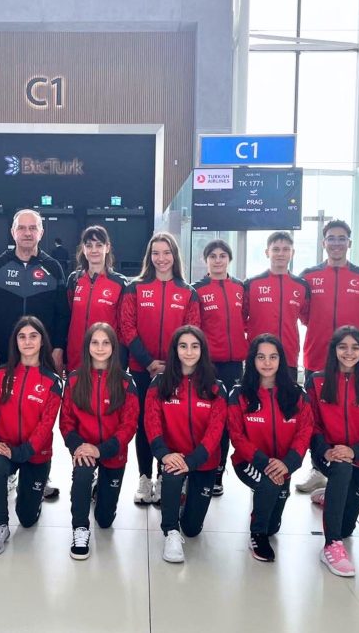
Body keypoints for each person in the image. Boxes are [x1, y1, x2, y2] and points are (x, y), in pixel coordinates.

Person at [0, 208, 69, 500]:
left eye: (33, 228)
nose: (27, 233)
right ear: (13, 232)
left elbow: (62, 314)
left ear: (41, 232)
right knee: (5, 410)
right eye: (22, 228)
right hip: (5, 356)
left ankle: (38, 471)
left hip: (42, 356)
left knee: (38, 413)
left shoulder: (54, 267)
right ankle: (7, 469)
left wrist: (58, 348)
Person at [120, 232, 201, 505]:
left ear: (174, 256)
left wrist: (171, 364)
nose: (161, 258)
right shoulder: (135, 288)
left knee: (168, 424)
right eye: (156, 253)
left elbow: (191, 332)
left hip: (175, 370)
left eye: (166, 253)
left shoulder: (188, 292)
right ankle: (144, 478)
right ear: (149, 256)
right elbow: (127, 328)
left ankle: (164, 474)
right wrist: (148, 362)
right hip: (142, 369)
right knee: (145, 424)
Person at [297, 220, 359, 496]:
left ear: (349, 243)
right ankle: (318, 469)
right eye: (331, 238)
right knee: (316, 417)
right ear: (323, 243)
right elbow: (303, 313)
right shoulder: (308, 276)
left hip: (351, 360)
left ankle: (349, 467)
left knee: (349, 415)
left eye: (342, 238)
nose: (336, 243)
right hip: (317, 357)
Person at [306, 326, 359, 577]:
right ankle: (331, 545)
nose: (349, 353)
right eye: (343, 347)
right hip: (328, 454)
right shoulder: (317, 381)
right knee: (340, 471)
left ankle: (331, 495)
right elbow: (311, 423)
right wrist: (325, 450)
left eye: (355, 347)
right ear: (334, 350)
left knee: (346, 528)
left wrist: (355, 451)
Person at [0, 316, 63, 556]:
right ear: (15, 341)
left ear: (42, 341)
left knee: (27, 519)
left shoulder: (52, 381)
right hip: (4, 447)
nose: (27, 342)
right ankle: (0, 524)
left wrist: (21, 452)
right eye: (22, 337)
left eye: (33, 336)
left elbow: (45, 426)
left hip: (35, 454)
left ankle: (30, 496)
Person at [144, 326, 227, 563]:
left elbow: (215, 432)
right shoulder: (159, 383)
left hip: (203, 461)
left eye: (194, 346)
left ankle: (184, 500)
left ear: (202, 350)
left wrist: (192, 461)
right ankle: (170, 531)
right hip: (173, 456)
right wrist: (164, 454)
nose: (189, 352)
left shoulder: (216, 387)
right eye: (183, 346)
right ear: (175, 350)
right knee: (172, 475)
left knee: (192, 529)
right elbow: (151, 422)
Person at [228, 334, 313, 562]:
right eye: (261, 357)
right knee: (268, 485)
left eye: (273, 357)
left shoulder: (297, 395)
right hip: (249, 462)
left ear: (281, 360)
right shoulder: (240, 394)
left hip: (284, 465)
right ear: (252, 360)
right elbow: (237, 436)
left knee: (273, 526)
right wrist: (265, 463)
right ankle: (256, 535)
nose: (267, 363)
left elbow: (304, 433)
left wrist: (288, 463)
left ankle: (264, 510)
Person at [60, 323, 140, 559]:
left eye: (106, 343)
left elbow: (129, 425)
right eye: (95, 342)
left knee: (105, 521)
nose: (100, 348)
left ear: (114, 347)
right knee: (82, 474)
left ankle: (99, 491)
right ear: (87, 346)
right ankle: (80, 528)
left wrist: (102, 450)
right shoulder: (74, 379)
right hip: (84, 449)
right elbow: (66, 422)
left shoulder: (126, 382)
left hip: (113, 452)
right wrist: (79, 447)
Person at [193, 239, 248, 496]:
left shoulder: (239, 288)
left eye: (222, 255)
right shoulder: (197, 290)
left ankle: (218, 472)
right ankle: (197, 467)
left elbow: (245, 319)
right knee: (204, 417)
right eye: (212, 256)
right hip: (208, 365)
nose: (218, 260)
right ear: (205, 260)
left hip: (234, 365)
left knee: (226, 419)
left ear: (229, 259)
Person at [243, 231, 309, 380]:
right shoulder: (252, 284)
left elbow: (307, 318)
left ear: (292, 253)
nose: (281, 254)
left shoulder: (301, 286)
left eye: (286, 249)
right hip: (258, 356)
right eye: (276, 249)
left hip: (288, 355)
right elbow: (239, 319)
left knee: (287, 394)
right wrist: (255, 332)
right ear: (267, 252)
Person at [65, 225, 127, 373]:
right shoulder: (74, 280)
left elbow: (123, 327)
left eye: (99, 245)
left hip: (105, 359)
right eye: (89, 245)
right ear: (83, 249)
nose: (94, 250)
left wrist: (121, 360)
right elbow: (68, 316)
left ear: (107, 247)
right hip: (76, 357)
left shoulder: (119, 283)